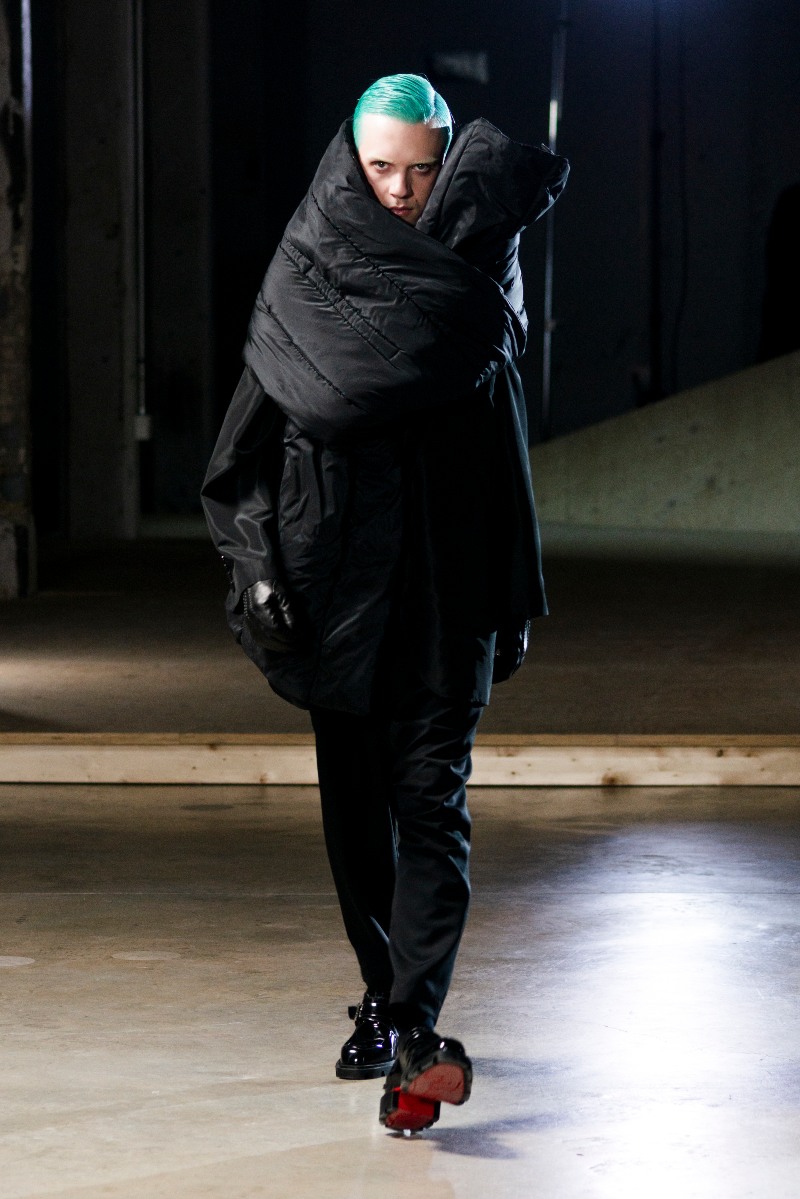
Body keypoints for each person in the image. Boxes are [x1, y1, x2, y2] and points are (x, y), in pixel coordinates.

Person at [202, 73, 568, 1133]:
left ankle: (412, 1026)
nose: (402, 191)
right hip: (337, 589)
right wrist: (257, 569)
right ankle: (384, 997)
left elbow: (501, 447)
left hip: (449, 588)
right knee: (357, 819)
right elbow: (243, 453)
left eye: (421, 169)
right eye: (381, 169)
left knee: (432, 806)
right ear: (350, 162)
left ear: (447, 164)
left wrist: (511, 592)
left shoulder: (482, 267)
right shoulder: (306, 273)